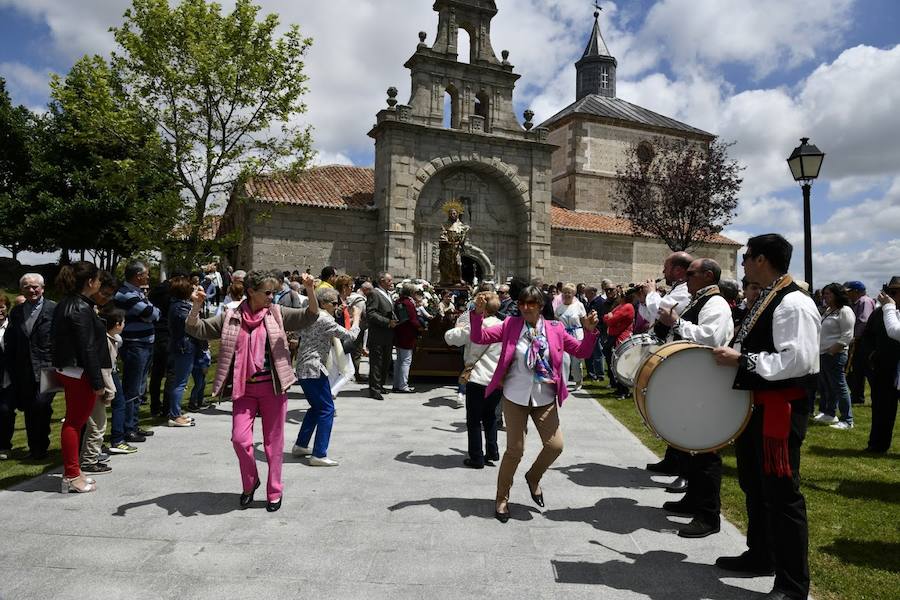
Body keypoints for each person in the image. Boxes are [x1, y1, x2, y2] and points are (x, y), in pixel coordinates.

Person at [712, 234, 819, 600]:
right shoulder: (772, 296)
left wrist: (741, 360)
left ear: (761, 259)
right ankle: (761, 555)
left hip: (780, 410)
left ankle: (792, 585)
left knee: (783, 496)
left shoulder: (792, 303)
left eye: (746, 257)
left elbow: (797, 360)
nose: (742, 263)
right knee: (755, 486)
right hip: (759, 406)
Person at [185, 270, 320, 511]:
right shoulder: (231, 316)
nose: (272, 296)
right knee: (239, 439)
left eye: (274, 292)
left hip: (273, 389)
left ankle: (274, 491)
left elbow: (310, 316)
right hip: (244, 389)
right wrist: (196, 305)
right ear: (251, 292)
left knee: (273, 444)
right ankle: (251, 482)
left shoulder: (277, 313)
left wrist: (310, 290)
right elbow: (196, 329)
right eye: (267, 292)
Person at [469, 286, 599, 523]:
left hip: (544, 397)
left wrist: (589, 332)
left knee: (555, 445)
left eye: (531, 303)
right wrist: (477, 316)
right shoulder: (510, 325)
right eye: (521, 303)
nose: (525, 307)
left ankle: (533, 477)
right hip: (515, 396)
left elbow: (582, 351)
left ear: (540, 306)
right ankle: (501, 498)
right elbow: (479, 337)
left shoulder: (556, 329)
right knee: (515, 451)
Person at [655, 258, 734, 538]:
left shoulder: (716, 303)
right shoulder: (699, 299)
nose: (685, 278)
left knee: (705, 453)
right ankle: (693, 501)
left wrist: (677, 322)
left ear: (708, 275)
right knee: (691, 447)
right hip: (694, 381)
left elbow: (710, 339)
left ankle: (708, 516)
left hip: (707, 385)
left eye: (690, 273)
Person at [51, 262, 112, 493]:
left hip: (71, 370)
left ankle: (74, 471)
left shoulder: (68, 304)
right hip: (79, 372)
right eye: (97, 279)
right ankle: (71, 474)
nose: (99, 283)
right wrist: (97, 383)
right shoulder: (80, 307)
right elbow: (87, 348)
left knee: (75, 422)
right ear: (90, 282)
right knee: (74, 423)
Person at [291, 287, 360, 466]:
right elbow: (350, 336)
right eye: (334, 303)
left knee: (316, 407)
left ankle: (301, 445)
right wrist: (357, 317)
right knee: (326, 409)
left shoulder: (310, 315)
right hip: (314, 368)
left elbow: (296, 333)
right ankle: (319, 454)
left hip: (305, 366)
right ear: (323, 303)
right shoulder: (324, 319)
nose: (337, 306)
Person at [445, 291, 503, 468]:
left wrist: (462, 324)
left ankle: (476, 457)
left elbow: (449, 338)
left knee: (474, 419)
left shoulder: (475, 325)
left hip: (477, 377)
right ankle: (492, 452)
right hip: (496, 379)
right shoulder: (503, 325)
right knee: (491, 416)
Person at [3, 273, 57, 459]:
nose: (31, 290)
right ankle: (36, 449)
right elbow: (11, 342)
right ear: (21, 290)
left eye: (35, 286)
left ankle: (42, 445)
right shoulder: (17, 312)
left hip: (48, 367)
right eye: (27, 287)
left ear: (42, 288)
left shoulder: (53, 309)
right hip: (24, 369)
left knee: (42, 405)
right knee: (30, 409)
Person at [114, 261, 160, 444]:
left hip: (145, 344)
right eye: (146, 274)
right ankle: (128, 429)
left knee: (140, 387)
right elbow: (151, 313)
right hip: (135, 345)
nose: (148, 277)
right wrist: (148, 312)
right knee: (132, 389)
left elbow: (156, 313)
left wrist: (149, 312)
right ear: (137, 276)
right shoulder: (126, 295)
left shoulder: (137, 293)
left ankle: (133, 424)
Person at [862, 278, 900, 454]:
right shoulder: (878, 314)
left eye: (897, 292)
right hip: (884, 367)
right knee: (881, 410)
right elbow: (867, 336)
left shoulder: (887, 312)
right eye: (891, 292)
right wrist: (872, 354)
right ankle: (877, 444)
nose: (894, 296)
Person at [812, 283, 855, 429]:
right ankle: (829, 413)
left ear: (837, 294)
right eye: (824, 294)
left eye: (828, 293)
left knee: (839, 386)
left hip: (835, 354)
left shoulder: (845, 311)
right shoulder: (830, 310)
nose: (825, 296)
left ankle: (847, 420)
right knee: (827, 386)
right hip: (824, 353)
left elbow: (848, 335)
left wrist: (833, 350)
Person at [164, 277, 201, 428]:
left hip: (181, 345)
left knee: (179, 381)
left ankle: (176, 411)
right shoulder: (180, 308)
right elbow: (193, 323)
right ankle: (174, 415)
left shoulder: (177, 305)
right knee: (180, 382)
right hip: (183, 346)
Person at [366, 272, 397, 400]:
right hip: (378, 334)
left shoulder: (388, 294)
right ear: (382, 281)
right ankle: (374, 389)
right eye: (389, 280)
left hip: (388, 334)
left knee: (386, 360)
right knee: (376, 362)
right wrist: (387, 322)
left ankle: (381, 384)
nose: (391, 283)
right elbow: (371, 313)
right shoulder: (374, 293)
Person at [845, 281, 876, 405]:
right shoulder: (857, 302)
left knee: (866, 369)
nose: (847, 295)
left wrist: (855, 337)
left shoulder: (864, 301)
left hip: (863, 341)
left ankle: (875, 396)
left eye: (849, 292)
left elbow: (864, 321)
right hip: (860, 340)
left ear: (856, 291)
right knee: (857, 370)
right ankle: (857, 397)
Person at [603, 286, 637, 398]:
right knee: (612, 362)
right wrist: (609, 317)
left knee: (618, 364)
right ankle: (617, 386)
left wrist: (609, 317)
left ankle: (623, 389)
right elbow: (607, 317)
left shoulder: (627, 307)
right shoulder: (621, 306)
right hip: (613, 335)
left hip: (620, 337)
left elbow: (611, 319)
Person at [555, 283, 587, 391]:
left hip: (577, 335)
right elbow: (556, 322)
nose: (567, 294)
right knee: (565, 360)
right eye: (565, 292)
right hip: (564, 336)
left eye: (569, 292)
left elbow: (584, 321)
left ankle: (578, 380)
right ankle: (563, 383)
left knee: (576, 361)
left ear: (574, 294)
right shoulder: (559, 308)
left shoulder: (579, 306)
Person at [393, 283, 422, 393]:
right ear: (411, 293)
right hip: (407, 335)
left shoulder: (399, 301)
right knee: (406, 361)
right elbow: (413, 319)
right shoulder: (408, 303)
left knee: (399, 360)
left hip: (399, 333)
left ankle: (397, 384)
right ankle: (403, 385)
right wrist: (420, 327)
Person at [347, 281, 371, 383]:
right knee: (356, 352)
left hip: (350, 327)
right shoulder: (361, 301)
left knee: (352, 352)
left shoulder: (351, 298)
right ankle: (356, 374)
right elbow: (363, 314)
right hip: (358, 328)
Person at [0, 296, 13, 460]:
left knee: (5, 411)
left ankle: (4, 446)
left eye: (2, 307)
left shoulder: (13, 325)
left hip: (11, 376)